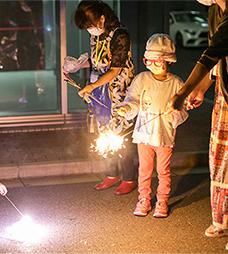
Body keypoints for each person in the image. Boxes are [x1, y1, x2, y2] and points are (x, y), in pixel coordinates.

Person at [169, 0, 228, 251]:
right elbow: (217, 54)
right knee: (221, 157)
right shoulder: (214, 11)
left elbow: (214, 51)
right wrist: (201, 88)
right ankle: (226, 217)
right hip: (226, 90)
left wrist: (182, 93)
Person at [68, 0, 137, 195]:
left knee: (121, 135)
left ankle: (129, 178)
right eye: (86, 28)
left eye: (90, 26)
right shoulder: (96, 36)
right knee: (104, 132)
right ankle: (111, 174)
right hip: (100, 93)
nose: (89, 30)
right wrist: (79, 64)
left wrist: (91, 86)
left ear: (102, 18)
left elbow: (115, 70)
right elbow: (97, 60)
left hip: (119, 93)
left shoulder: (120, 35)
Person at [118, 34, 188, 218]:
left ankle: (162, 201)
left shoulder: (177, 84)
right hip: (143, 133)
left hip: (164, 135)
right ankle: (143, 199)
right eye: (148, 60)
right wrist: (127, 108)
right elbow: (133, 99)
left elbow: (184, 108)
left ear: (168, 61)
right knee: (144, 169)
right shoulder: (142, 79)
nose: (152, 64)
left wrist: (175, 113)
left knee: (163, 171)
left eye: (157, 60)